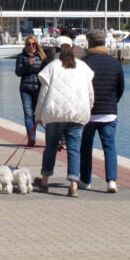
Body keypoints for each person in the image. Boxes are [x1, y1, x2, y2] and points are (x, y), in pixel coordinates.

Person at [34, 36, 94, 197]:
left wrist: (37, 115)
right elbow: (90, 93)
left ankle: (45, 180)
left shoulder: (52, 67)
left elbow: (43, 94)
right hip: (77, 113)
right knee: (74, 149)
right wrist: (89, 107)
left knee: (51, 148)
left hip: (54, 114)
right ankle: (73, 184)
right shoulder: (82, 67)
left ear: (56, 49)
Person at [79, 30, 125, 193]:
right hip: (109, 111)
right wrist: (113, 102)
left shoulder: (83, 63)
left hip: (88, 112)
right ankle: (111, 181)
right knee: (109, 146)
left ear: (89, 43)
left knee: (85, 147)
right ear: (104, 43)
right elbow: (120, 87)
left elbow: (79, 89)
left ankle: (85, 180)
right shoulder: (114, 62)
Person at [14, 35, 47, 147]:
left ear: (36, 45)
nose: (31, 46)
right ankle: (31, 138)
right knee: (28, 114)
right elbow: (18, 72)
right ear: (25, 45)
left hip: (38, 88)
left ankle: (56, 137)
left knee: (39, 114)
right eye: (29, 44)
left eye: (33, 44)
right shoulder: (21, 57)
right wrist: (28, 64)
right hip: (25, 88)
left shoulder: (42, 57)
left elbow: (46, 73)